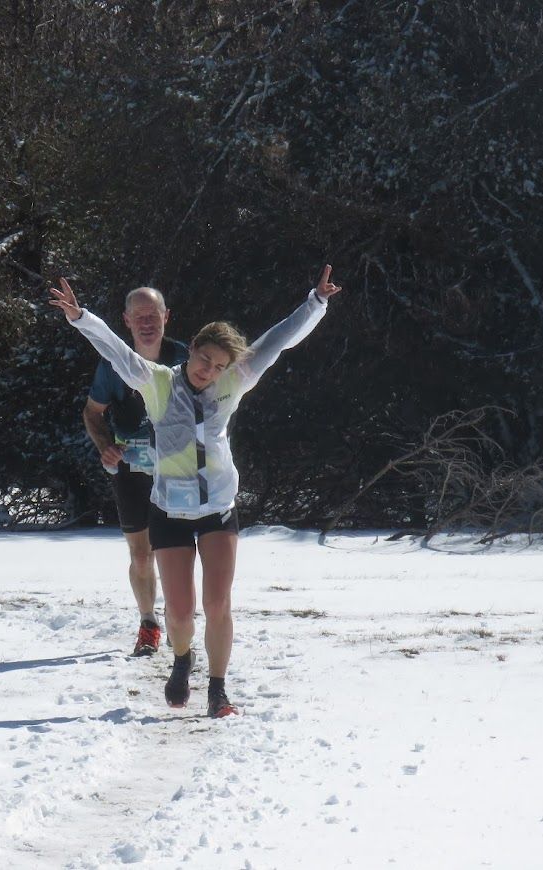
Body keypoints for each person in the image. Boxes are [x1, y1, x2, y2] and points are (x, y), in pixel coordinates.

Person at [50, 265, 342, 718]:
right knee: (182, 613)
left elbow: (277, 340)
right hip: (168, 510)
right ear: (194, 350)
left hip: (218, 508)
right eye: (205, 359)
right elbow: (115, 350)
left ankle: (219, 689)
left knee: (217, 603)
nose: (210, 371)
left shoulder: (234, 381)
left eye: (220, 366)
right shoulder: (159, 382)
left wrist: (315, 303)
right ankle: (182, 659)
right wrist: (80, 317)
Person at [82, 286, 189, 657]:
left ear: (166, 317)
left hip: (176, 469)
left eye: (153, 316)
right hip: (131, 468)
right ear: (126, 321)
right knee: (141, 555)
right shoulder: (113, 365)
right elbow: (92, 413)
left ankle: (179, 621)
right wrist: (106, 447)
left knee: (176, 551)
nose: (146, 323)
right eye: (139, 317)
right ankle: (149, 622)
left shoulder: (186, 359)